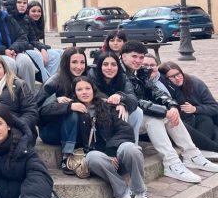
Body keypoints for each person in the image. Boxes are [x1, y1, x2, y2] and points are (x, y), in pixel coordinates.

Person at [120, 41, 218, 182]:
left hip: (136, 114)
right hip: (122, 119)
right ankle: (171, 163)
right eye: (134, 56)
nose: (138, 61)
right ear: (124, 56)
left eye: (141, 57)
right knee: (154, 119)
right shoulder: (119, 74)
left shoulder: (139, 72)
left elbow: (156, 92)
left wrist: (172, 106)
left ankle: (192, 155)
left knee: (169, 115)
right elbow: (136, 101)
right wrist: (164, 111)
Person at [70, 77, 148, 198]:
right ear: (74, 93)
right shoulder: (74, 113)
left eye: (87, 88)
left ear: (93, 90)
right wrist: (66, 104)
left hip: (118, 157)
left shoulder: (107, 106)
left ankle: (139, 190)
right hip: (101, 163)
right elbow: (46, 111)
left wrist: (111, 153)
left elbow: (125, 130)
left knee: (131, 148)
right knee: (92, 157)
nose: (84, 92)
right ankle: (122, 190)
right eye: (79, 89)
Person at [38, 48, 88, 169]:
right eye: (74, 62)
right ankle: (67, 157)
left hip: (77, 128)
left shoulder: (87, 79)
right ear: (66, 63)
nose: (79, 66)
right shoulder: (53, 82)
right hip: (51, 130)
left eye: (82, 62)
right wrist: (65, 105)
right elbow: (39, 111)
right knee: (72, 113)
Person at [158, 61, 218, 153]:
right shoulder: (164, 89)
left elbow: (214, 107)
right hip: (185, 122)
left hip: (202, 116)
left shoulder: (195, 83)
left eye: (178, 74)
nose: (177, 78)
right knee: (209, 128)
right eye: (172, 77)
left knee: (208, 120)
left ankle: (207, 148)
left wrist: (196, 109)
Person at [88, 52, 142, 143]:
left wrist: (121, 97)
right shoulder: (92, 74)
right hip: (97, 110)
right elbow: (95, 96)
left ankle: (132, 144)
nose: (109, 68)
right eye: (105, 64)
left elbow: (133, 99)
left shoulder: (122, 77)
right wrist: (117, 104)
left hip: (115, 111)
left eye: (113, 64)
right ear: (99, 66)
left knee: (138, 112)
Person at [12, 0, 61, 82]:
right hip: (20, 50)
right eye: (19, 2)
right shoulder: (10, 19)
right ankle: (48, 84)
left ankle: (51, 81)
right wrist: (39, 48)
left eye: (24, 3)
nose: (22, 5)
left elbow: (33, 39)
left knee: (58, 54)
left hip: (29, 48)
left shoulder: (26, 19)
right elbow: (23, 41)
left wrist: (42, 48)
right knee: (39, 55)